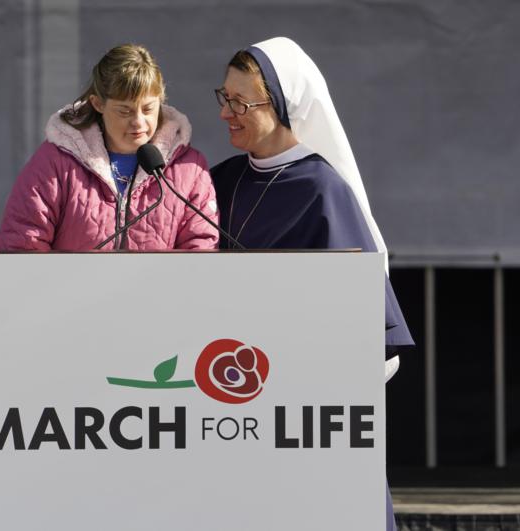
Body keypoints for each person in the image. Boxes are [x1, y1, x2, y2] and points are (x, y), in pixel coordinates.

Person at [210, 37, 413, 531]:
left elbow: (358, 326)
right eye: (225, 97)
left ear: (283, 107)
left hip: (298, 416)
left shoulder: (322, 190)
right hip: (225, 406)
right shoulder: (217, 181)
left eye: (242, 103)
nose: (227, 114)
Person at [0, 44, 218, 251]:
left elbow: (200, 251)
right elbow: (22, 245)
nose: (139, 122)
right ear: (98, 104)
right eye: (125, 111)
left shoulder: (190, 168)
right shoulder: (55, 162)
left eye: (149, 108)